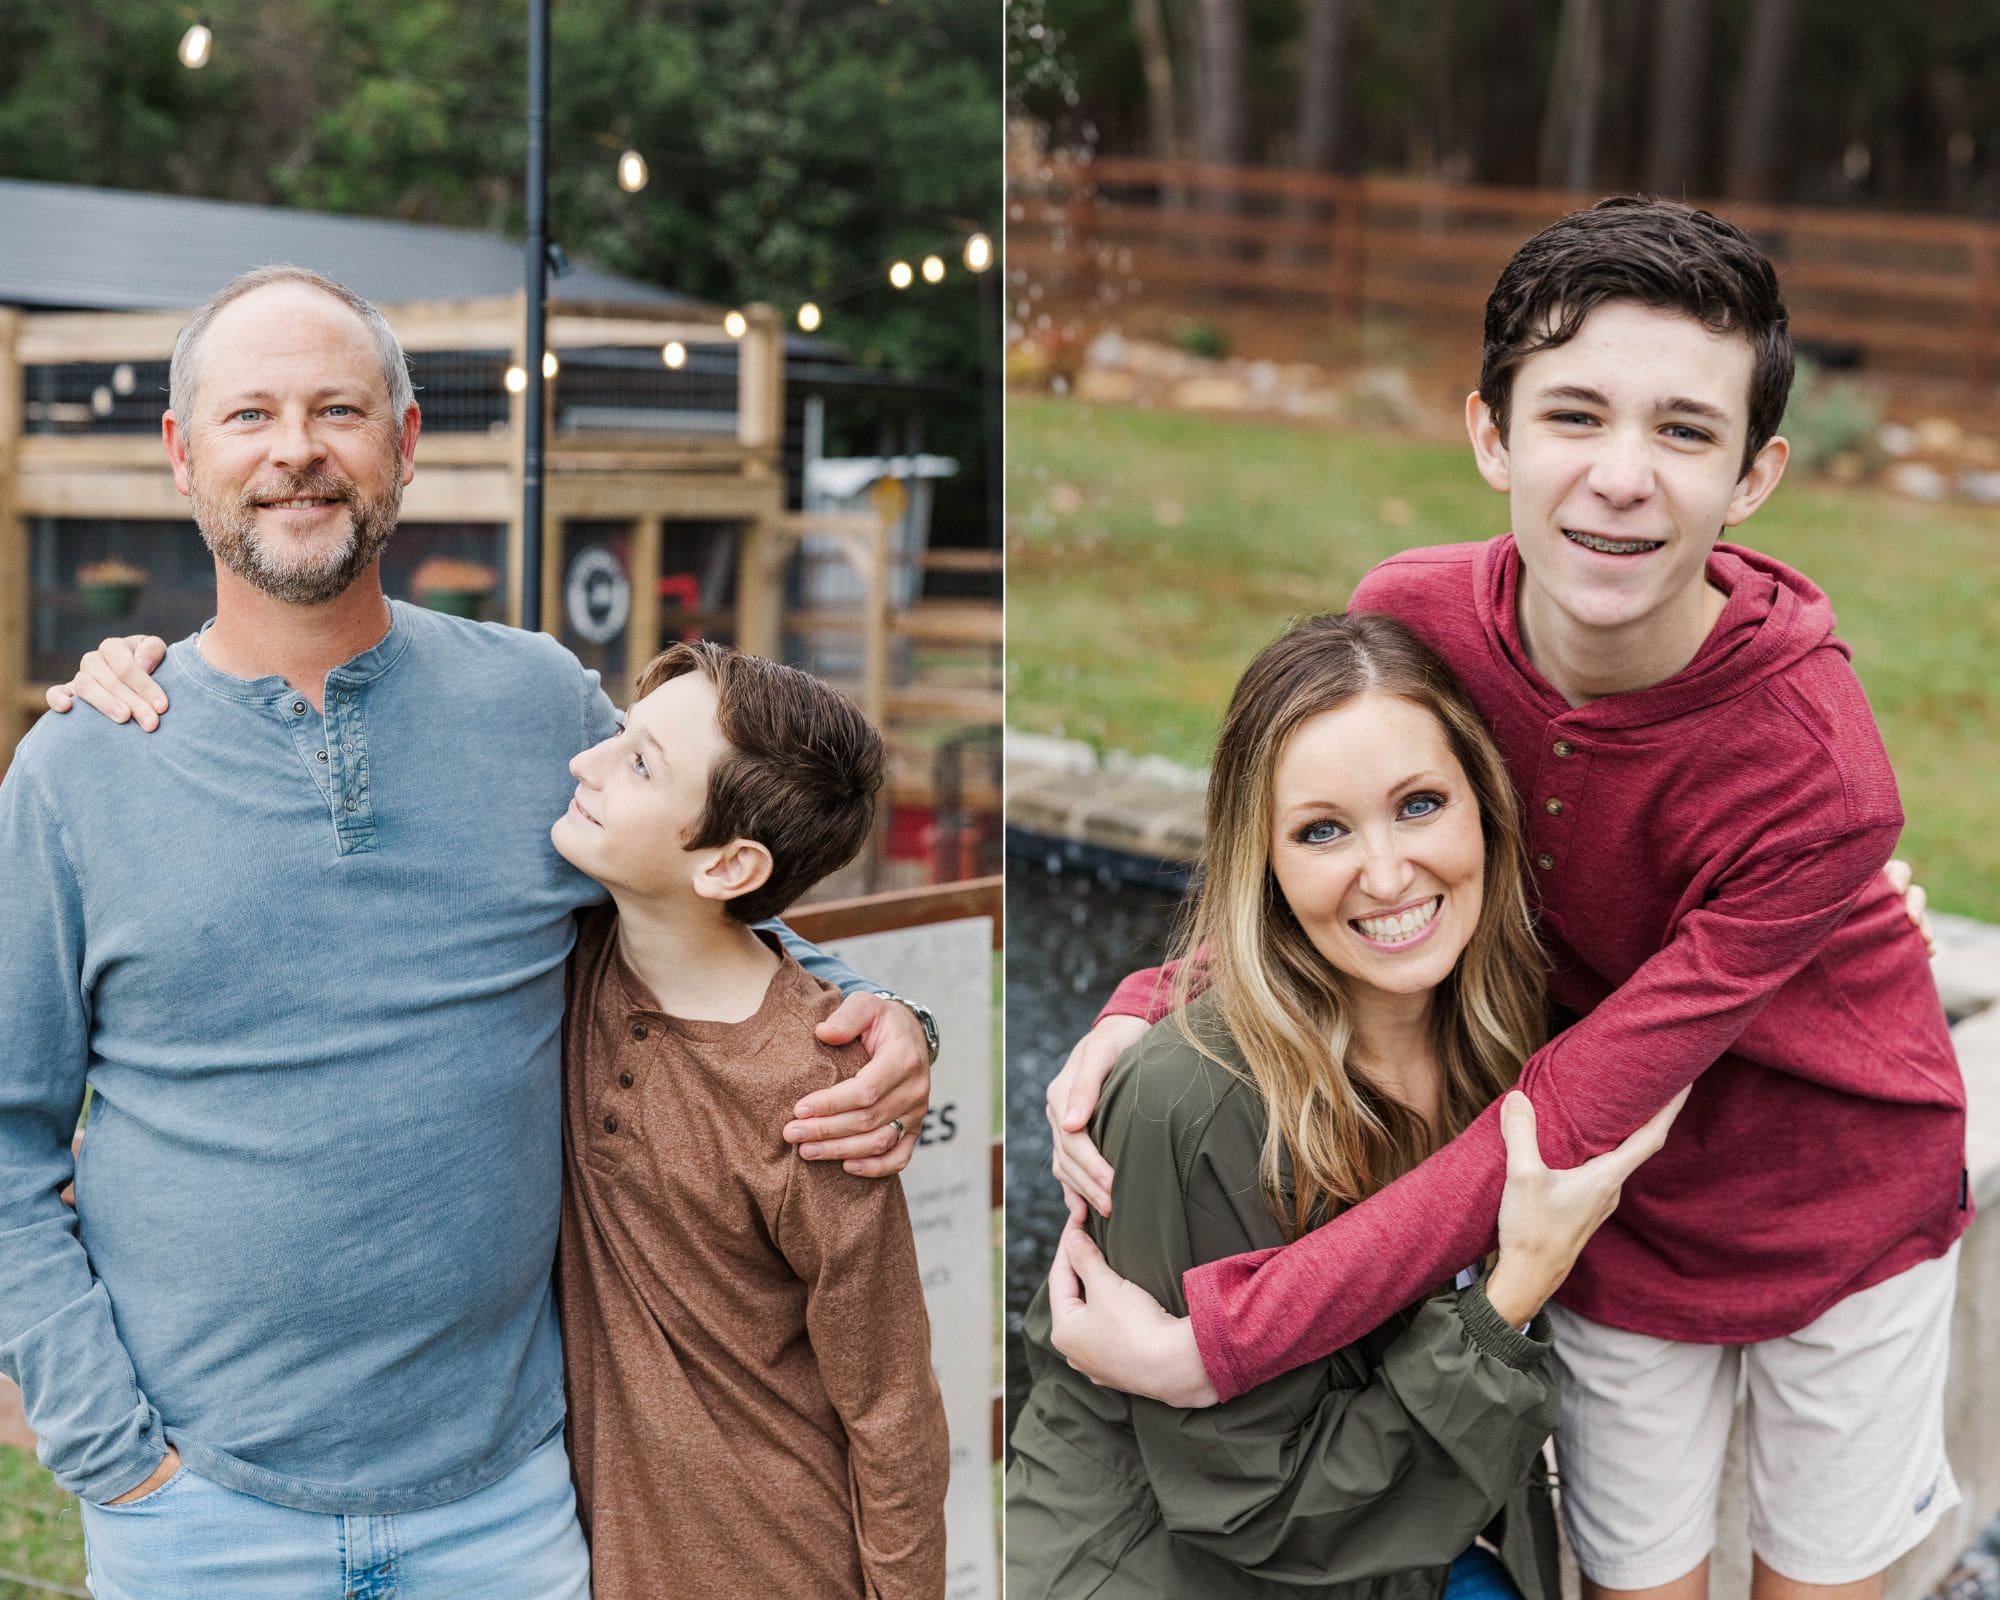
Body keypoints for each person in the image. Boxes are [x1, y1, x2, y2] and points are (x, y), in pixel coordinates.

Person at [1039, 198, 1968, 1600]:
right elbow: (1328, 850)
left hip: (1833, 1201)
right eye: (1574, 415)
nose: (1620, 477)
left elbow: (1560, 1111)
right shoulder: (1410, 623)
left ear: (1754, 475)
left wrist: (1220, 1341)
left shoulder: (1818, 773)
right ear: (1491, 435)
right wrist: (1152, 995)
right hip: (1608, 1218)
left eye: (1684, 431)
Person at [3, 264, 933, 1598]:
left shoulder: (536, 706)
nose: (296, 450)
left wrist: (879, 1014)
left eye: (337, 410)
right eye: (250, 414)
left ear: (406, 441)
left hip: (504, 1508)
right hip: (202, 1516)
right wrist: (109, 1446)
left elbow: (703, 884)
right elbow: (8, 1133)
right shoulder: (83, 766)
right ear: (181, 455)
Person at [1008, 613, 1683, 1600]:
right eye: (1321, 830)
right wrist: (1508, 1297)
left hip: (1399, 1547)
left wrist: (1859, 935)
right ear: (1263, 859)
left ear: (1487, 808)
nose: (1387, 873)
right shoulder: (1188, 1104)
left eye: (1419, 805)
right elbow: (1257, 1508)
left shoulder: (1505, 1024)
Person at [553, 639, 948, 1600]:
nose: (584, 762)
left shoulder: (820, 1098)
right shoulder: (569, 957)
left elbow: (891, 1404)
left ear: (730, 864)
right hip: (598, 1556)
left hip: (783, 1562)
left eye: (640, 764)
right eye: (620, 736)